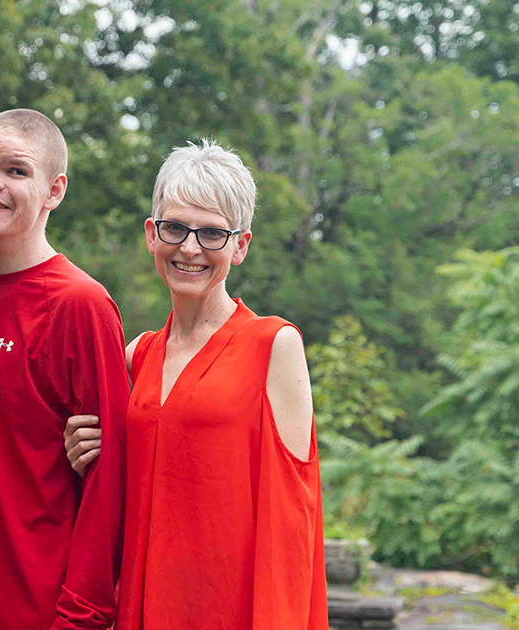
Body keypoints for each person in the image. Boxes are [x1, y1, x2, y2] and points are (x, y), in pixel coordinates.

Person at [64, 140, 329, 629]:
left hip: (229, 610)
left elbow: (293, 516)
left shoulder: (274, 345)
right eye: (176, 228)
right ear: (151, 233)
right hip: (143, 606)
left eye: (212, 234)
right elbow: (117, 487)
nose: (190, 248)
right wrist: (82, 452)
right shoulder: (135, 356)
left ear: (241, 245)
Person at [0, 109, 129, 629]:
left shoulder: (80, 303)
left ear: (54, 191)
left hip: (45, 610)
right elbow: (13, 415)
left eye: (16, 171)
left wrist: (80, 618)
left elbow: (112, 478)